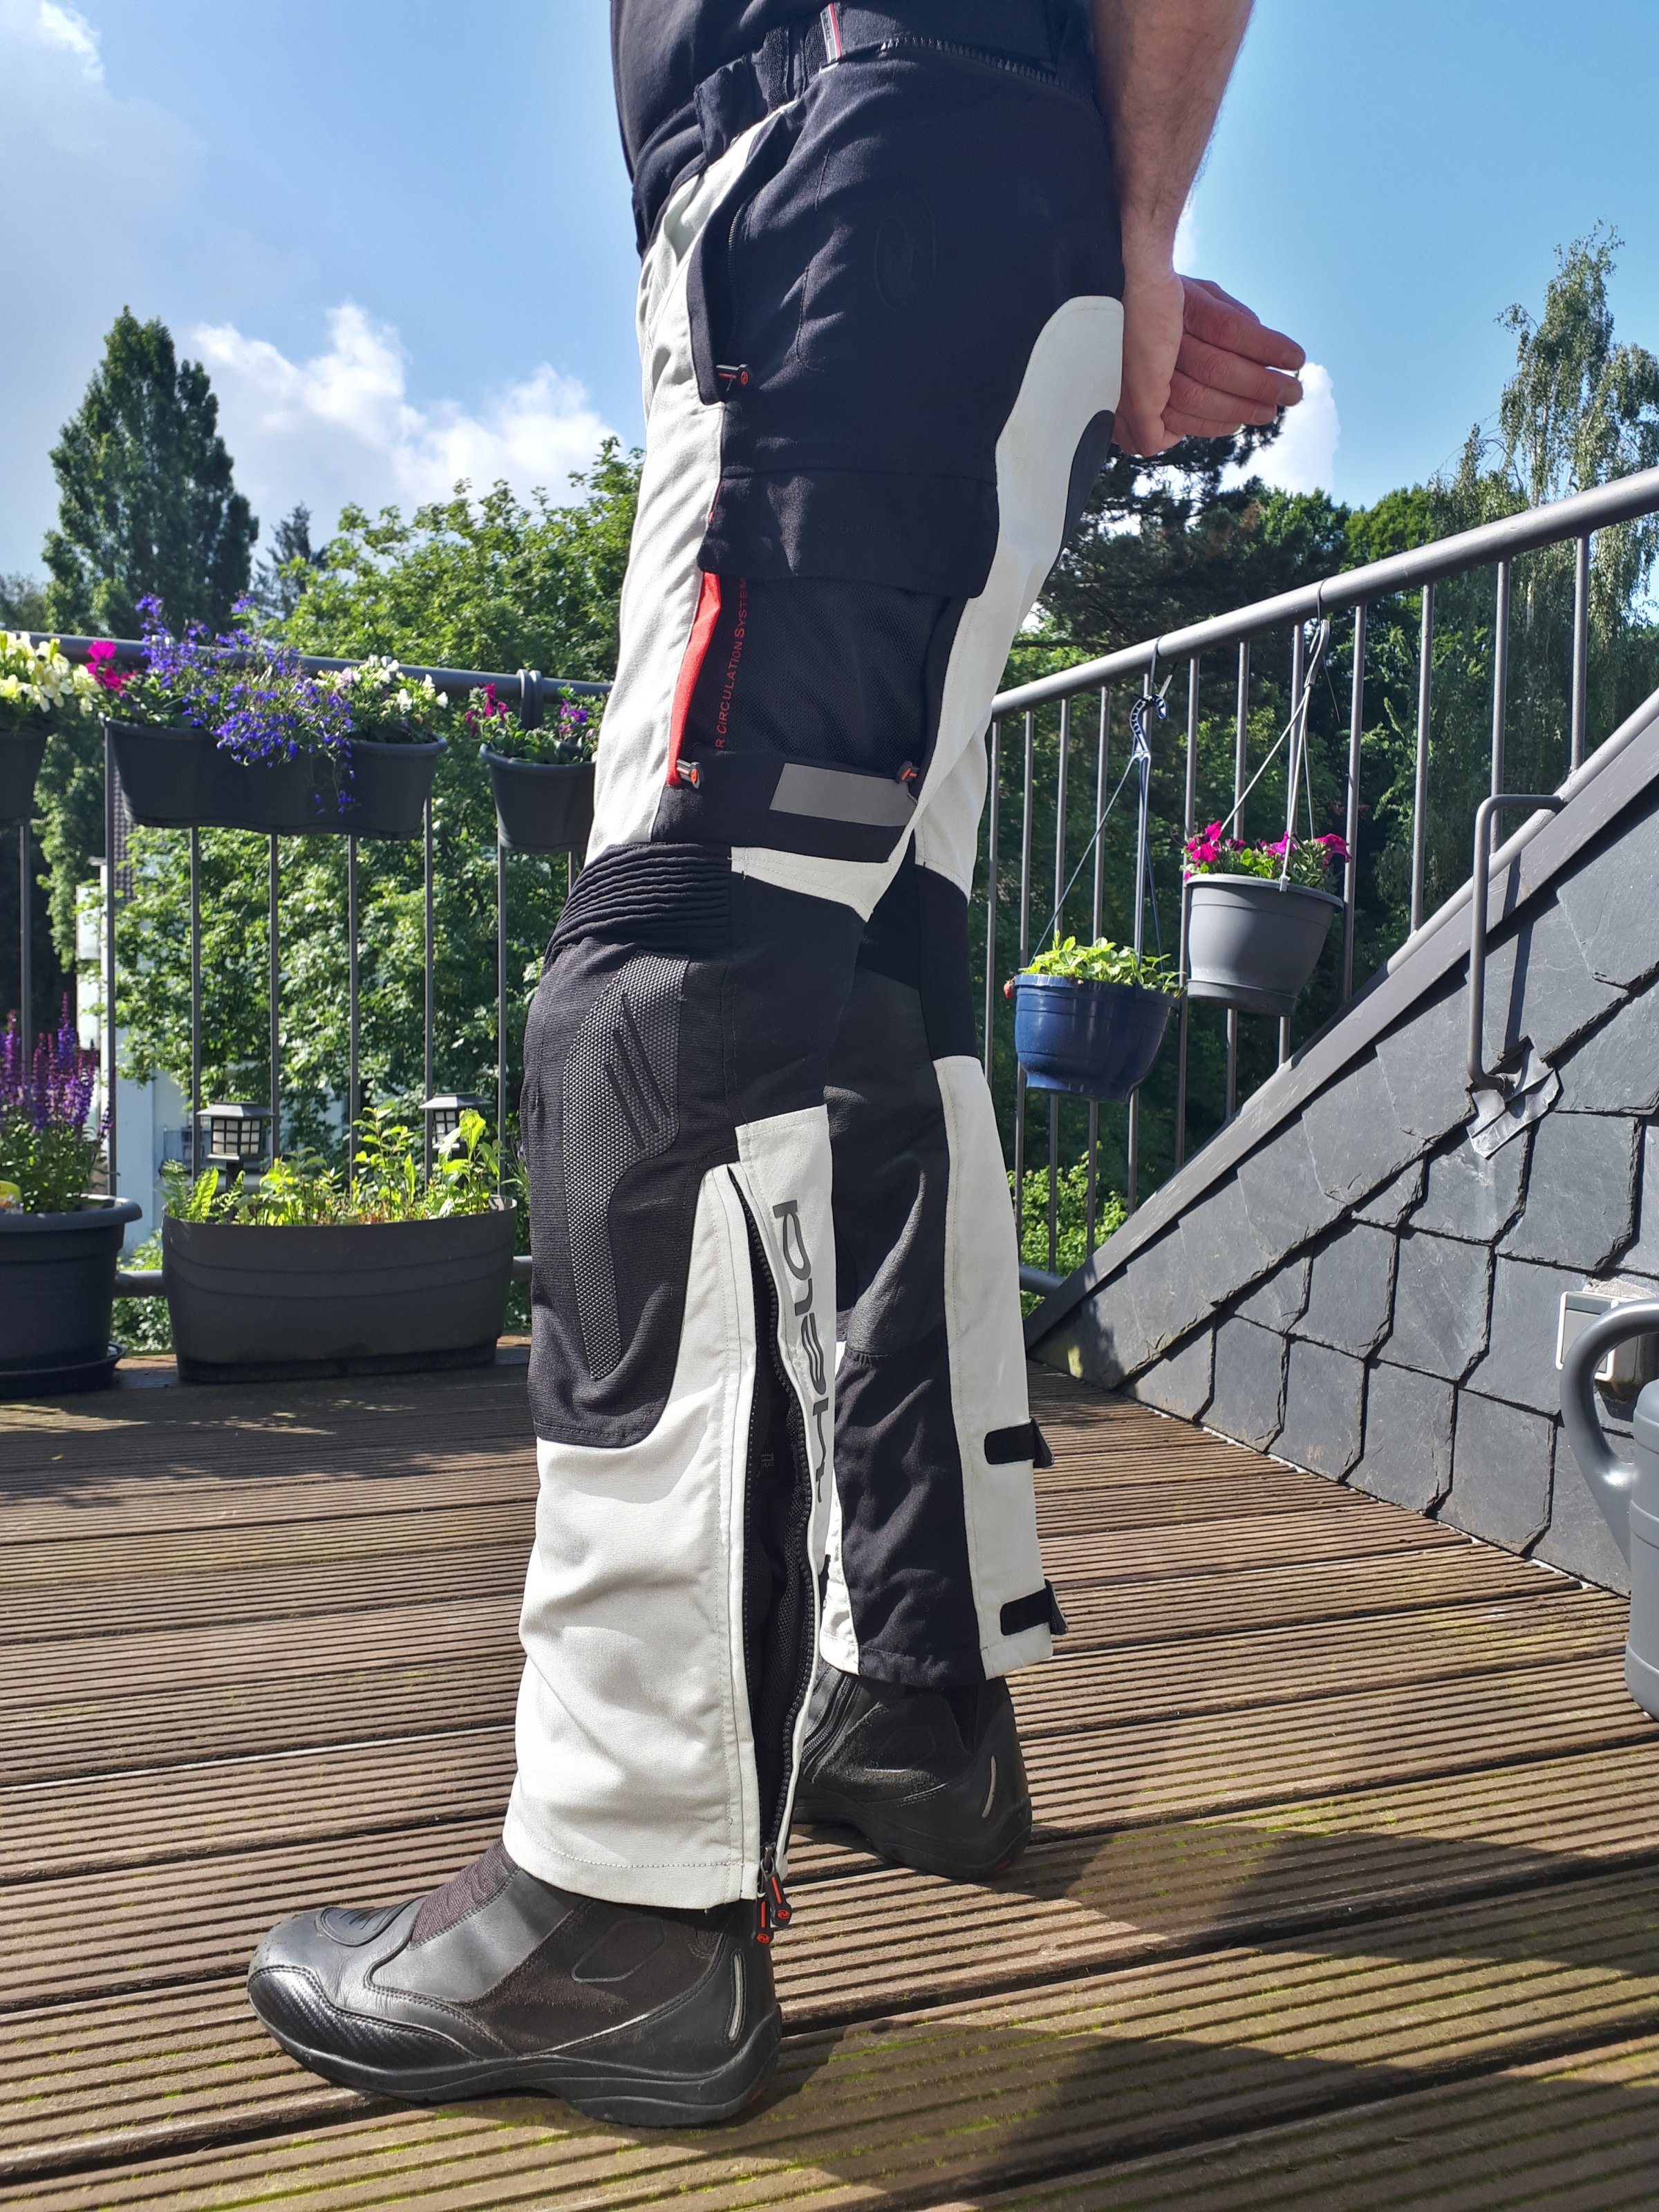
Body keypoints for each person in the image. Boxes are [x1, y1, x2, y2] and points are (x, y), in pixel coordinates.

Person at [247, 0, 1304, 2128]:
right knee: (875, 994)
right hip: (917, 217)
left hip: (844, 203)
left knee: (665, 992)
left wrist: (1132, 228)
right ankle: (915, 1687)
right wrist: (1102, 236)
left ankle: (621, 1896)